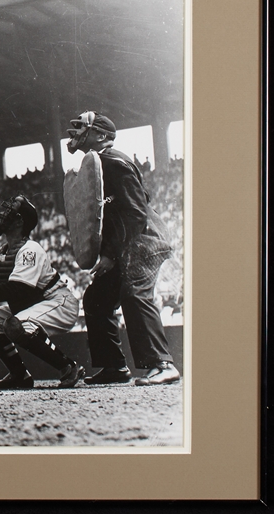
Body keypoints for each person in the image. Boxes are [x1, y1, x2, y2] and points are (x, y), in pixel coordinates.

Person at [66, 111, 180, 386]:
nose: (78, 132)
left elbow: (135, 213)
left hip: (144, 239)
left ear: (102, 136)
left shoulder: (113, 161)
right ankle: (114, 367)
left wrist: (109, 254)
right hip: (128, 242)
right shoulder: (98, 163)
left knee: (134, 293)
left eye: (86, 128)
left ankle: (163, 364)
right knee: (96, 298)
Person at [0, 195, 85, 389]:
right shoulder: (3, 252)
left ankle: (69, 367)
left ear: (19, 221)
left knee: (14, 325)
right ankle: (19, 374)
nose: (2, 214)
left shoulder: (30, 250)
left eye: (10, 211)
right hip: (34, 303)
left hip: (59, 302)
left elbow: (16, 290)